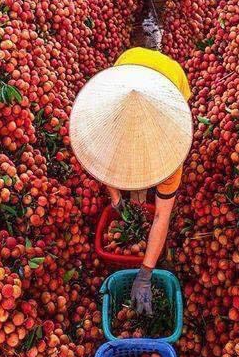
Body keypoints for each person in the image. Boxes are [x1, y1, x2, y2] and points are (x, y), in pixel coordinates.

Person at [69, 47, 192, 315]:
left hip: (172, 78)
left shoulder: (171, 157)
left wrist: (145, 273)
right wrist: (116, 200)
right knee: (121, 170)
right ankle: (133, 196)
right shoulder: (108, 132)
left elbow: (162, 216)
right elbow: (102, 162)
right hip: (128, 64)